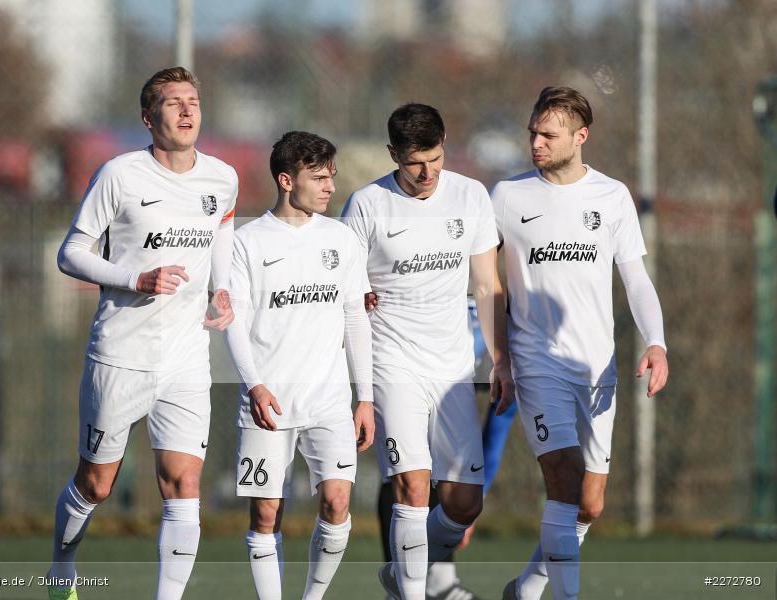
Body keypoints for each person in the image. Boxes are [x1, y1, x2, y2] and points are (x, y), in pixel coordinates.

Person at [47, 66, 237, 600]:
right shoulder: (120, 175)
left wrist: (220, 288)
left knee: (184, 485)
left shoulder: (222, 177)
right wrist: (136, 278)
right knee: (97, 485)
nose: (185, 110)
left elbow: (223, 225)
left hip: (186, 357)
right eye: (172, 102)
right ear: (148, 118)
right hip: (121, 353)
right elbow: (71, 253)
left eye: (193, 100)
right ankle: (60, 569)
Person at [494, 86, 668, 600]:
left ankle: (524, 588)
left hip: (597, 366)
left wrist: (656, 343)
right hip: (535, 360)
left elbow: (636, 280)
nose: (537, 143)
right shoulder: (506, 196)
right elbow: (478, 270)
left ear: (580, 136)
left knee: (590, 504)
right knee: (564, 480)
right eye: (533, 133)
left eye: (549, 134)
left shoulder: (612, 196)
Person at [342, 103, 515, 600]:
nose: (426, 173)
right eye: (414, 162)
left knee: (464, 505)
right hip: (392, 365)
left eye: (435, 158)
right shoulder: (366, 205)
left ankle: (405, 568)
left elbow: (486, 284)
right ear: (393, 154)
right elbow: (344, 293)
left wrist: (501, 359)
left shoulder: (470, 195)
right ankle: (414, 590)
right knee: (412, 489)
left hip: (453, 369)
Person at [225, 131, 375, 600]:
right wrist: (254, 386)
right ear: (287, 180)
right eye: (319, 178)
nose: (330, 187)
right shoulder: (247, 242)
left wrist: (365, 398)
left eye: (331, 177)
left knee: (337, 502)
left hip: (329, 401)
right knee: (267, 513)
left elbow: (356, 318)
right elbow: (234, 322)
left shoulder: (341, 239)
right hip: (267, 403)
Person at [375, 301, 518, 600]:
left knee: (456, 484)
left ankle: (436, 581)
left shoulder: (507, 343)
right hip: (405, 351)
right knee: (405, 475)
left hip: (465, 348)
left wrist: (480, 494)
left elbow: (497, 426)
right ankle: (409, 585)